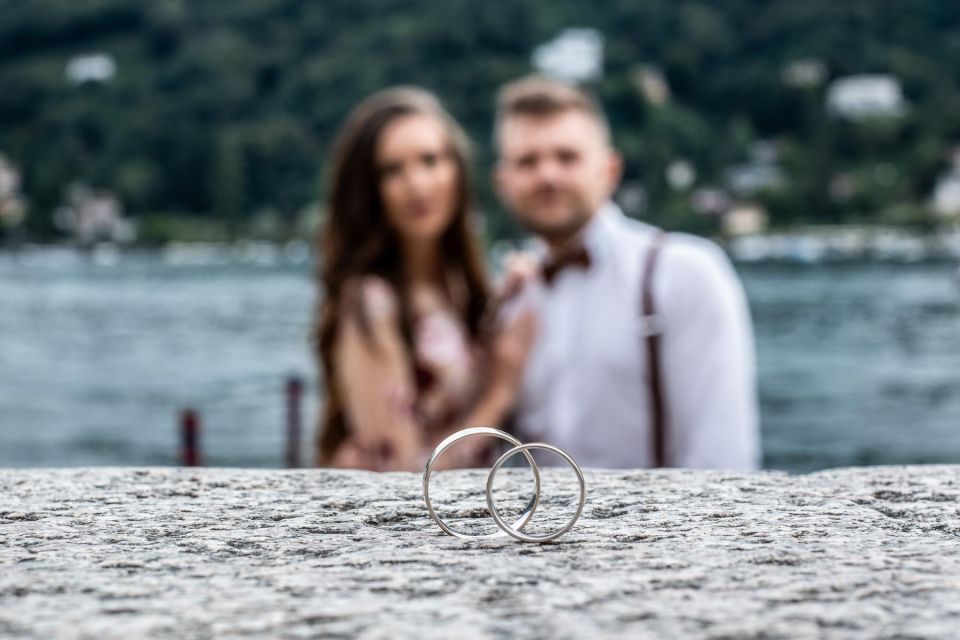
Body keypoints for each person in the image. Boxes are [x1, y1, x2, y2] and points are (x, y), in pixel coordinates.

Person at [494, 76, 760, 470]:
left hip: (658, 530)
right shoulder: (504, 298)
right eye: (527, 161)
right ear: (504, 183)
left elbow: (721, 456)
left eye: (567, 157)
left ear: (610, 170)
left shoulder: (687, 274)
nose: (547, 175)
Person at [313, 87, 535, 471]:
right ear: (369, 190)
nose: (417, 185)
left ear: (457, 170)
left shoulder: (458, 281)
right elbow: (404, 473)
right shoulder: (371, 300)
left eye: (431, 160)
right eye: (391, 170)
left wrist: (506, 304)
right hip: (397, 526)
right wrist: (498, 395)